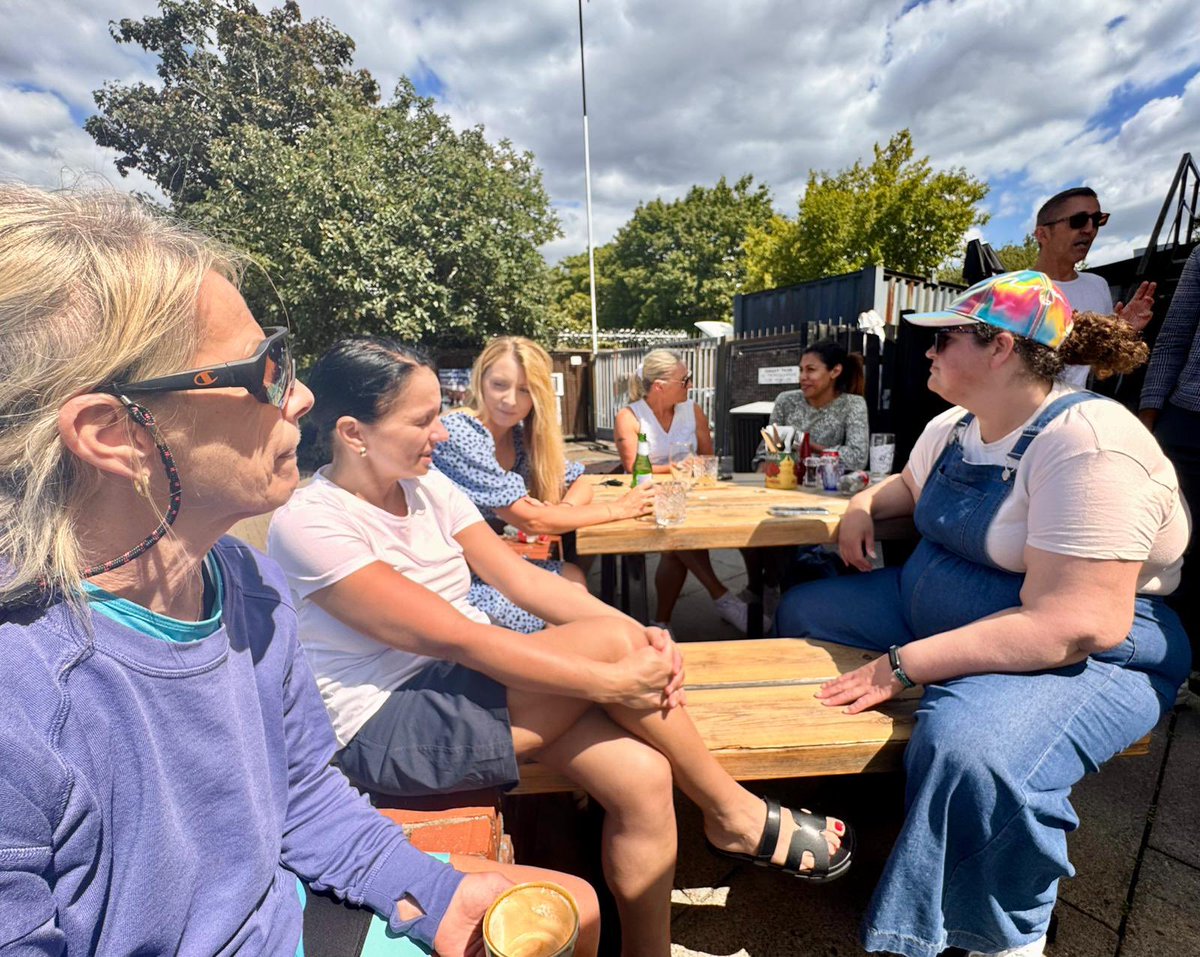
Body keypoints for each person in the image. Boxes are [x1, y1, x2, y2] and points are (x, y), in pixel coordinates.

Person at [0, 184, 600, 956]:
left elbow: (303, 796)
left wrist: (430, 894)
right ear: (115, 433)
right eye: (265, 370)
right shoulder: (24, 691)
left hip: (282, 920)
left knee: (573, 909)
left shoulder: (246, 584)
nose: (302, 395)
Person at [268, 337, 853, 957]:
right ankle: (732, 811)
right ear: (354, 434)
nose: (441, 433)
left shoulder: (427, 485)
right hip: (388, 723)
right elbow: (457, 636)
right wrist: (611, 678)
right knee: (610, 648)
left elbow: (520, 580)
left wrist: (641, 636)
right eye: (423, 420)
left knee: (643, 775)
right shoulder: (312, 522)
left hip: (470, 685)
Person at [775, 270, 1190, 957]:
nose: (928, 351)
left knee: (973, 749)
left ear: (1000, 348)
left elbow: (1075, 623)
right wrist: (861, 506)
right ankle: (877, 796)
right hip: (931, 601)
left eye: (945, 338)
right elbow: (906, 488)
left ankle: (1003, 934)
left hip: (1089, 649)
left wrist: (903, 665)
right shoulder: (954, 426)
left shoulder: (1091, 444)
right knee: (804, 610)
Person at [433, 336, 654, 633]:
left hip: (485, 565)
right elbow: (533, 520)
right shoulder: (462, 432)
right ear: (480, 381)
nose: (510, 400)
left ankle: (621, 639)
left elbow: (581, 480)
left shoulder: (518, 437)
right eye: (499, 385)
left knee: (572, 576)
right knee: (572, 609)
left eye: (525, 390)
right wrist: (618, 509)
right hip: (449, 579)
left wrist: (564, 510)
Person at [613, 349, 760, 632]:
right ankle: (722, 598)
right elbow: (633, 467)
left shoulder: (692, 410)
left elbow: (708, 460)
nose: (690, 384)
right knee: (677, 537)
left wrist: (694, 468)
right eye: (685, 380)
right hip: (647, 497)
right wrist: (677, 468)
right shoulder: (629, 417)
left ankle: (662, 622)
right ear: (660, 386)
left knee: (677, 543)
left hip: (690, 496)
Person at [1139, 243, 1200, 679]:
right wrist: (1147, 425)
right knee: (1170, 551)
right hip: (1188, 422)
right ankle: (1166, 666)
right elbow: (1173, 339)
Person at [1033, 185, 1156, 386]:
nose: (1090, 229)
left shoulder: (1097, 285)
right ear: (1042, 234)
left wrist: (1120, 335)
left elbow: (1101, 369)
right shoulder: (1012, 290)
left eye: (1097, 220)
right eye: (1078, 220)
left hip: (1074, 403)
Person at [756, 338, 870, 470]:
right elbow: (765, 454)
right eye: (801, 370)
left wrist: (807, 445)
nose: (803, 377)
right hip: (785, 479)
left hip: (829, 481)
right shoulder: (786, 401)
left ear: (835, 371)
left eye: (811, 370)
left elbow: (857, 459)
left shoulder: (852, 404)